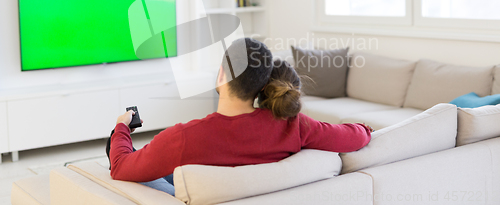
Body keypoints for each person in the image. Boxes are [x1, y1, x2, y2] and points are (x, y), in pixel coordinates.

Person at [108, 38, 372, 196]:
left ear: (221, 75)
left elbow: (120, 168)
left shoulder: (182, 138)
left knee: (144, 164)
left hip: (193, 188)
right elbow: (356, 135)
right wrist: (365, 128)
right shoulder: (294, 126)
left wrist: (122, 128)